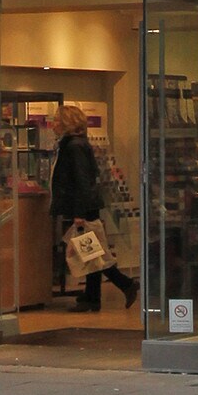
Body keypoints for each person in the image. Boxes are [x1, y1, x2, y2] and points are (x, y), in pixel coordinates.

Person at [49, 106, 137, 310]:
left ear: (67, 123)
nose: (53, 124)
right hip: (84, 206)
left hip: (82, 208)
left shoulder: (74, 147)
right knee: (89, 250)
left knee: (91, 251)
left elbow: (82, 181)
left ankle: (123, 284)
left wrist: (79, 213)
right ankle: (93, 295)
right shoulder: (76, 144)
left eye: (57, 120)